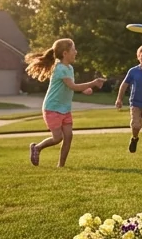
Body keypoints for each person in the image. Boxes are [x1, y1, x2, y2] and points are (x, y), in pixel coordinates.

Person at [25, 38, 105, 167]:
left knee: (68, 136)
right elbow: (72, 86)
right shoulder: (60, 68)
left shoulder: (69, 68)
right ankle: (37, 147)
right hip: (52, 108)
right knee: (58, 138)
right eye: (73, 49)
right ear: (65, 53)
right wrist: (93, 83)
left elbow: (70, 85)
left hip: (65, 109)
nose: (76, 52)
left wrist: (83, 89)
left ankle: (61, 166)